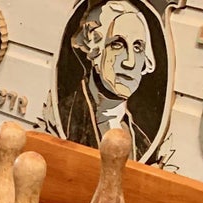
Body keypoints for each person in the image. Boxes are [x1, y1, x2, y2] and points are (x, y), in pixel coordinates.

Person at [62, 0, 161, 156]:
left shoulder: (142, 143)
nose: (130, 62)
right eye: (117, 44)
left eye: (137, 47)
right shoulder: (65, 116)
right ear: (94, 50)